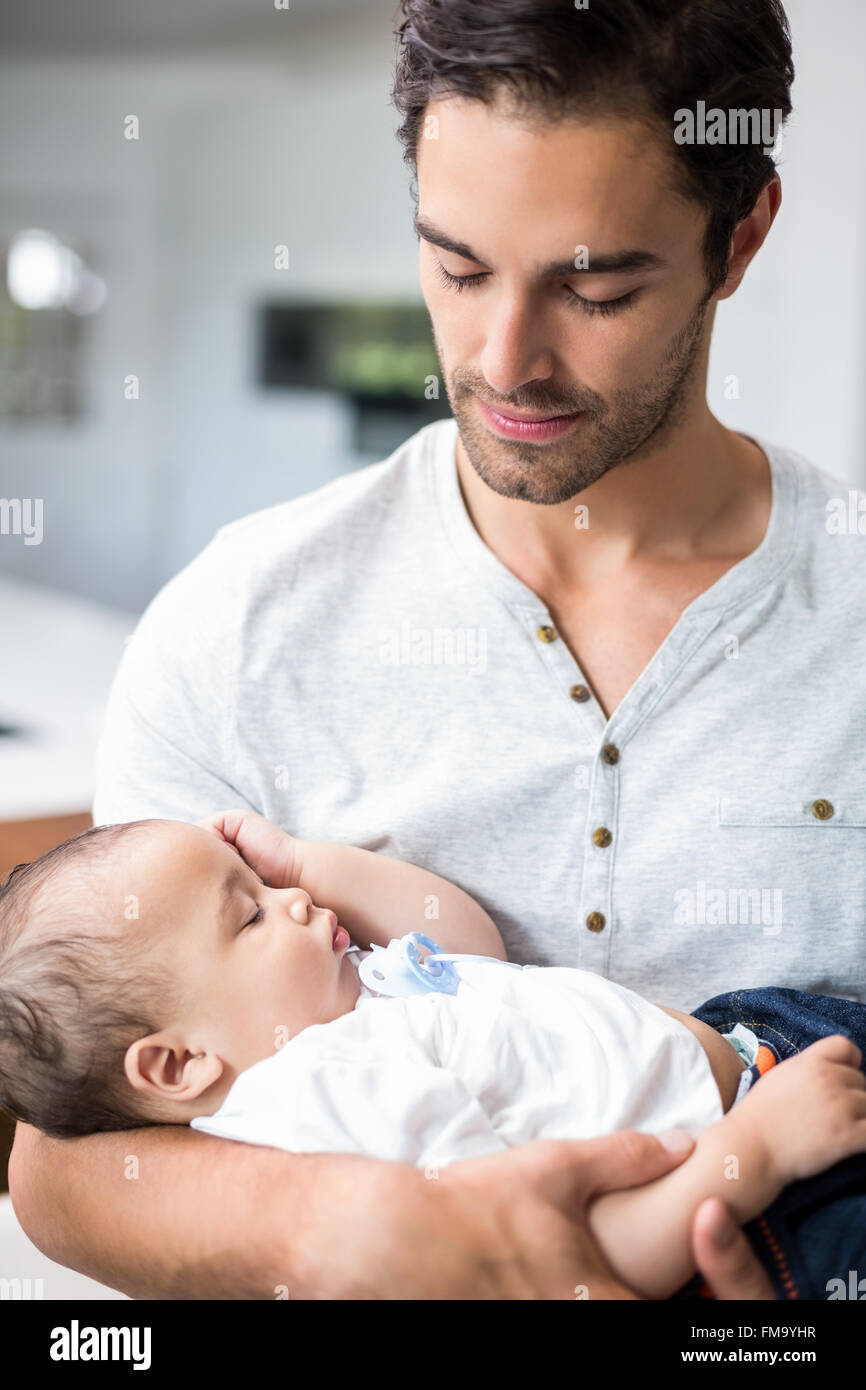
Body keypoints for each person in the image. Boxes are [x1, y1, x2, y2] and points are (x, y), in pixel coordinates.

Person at [12, 0, 858, 1300]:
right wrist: (345, 1232)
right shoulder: (238, 626)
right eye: (456, 268)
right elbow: (72, 1166)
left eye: (593, 285)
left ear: (737, 236)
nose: (500, 360)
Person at [2, 812, 865, 1300]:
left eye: (265, 880)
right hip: (756, 1204)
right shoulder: (331, 1096)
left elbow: (469, 943)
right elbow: (548, 1254)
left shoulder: (342, 991)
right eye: (252, 915)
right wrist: (747, 1158)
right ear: (176, 1065)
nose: (296, 898)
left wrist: (306, 862)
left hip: (764, 1039)